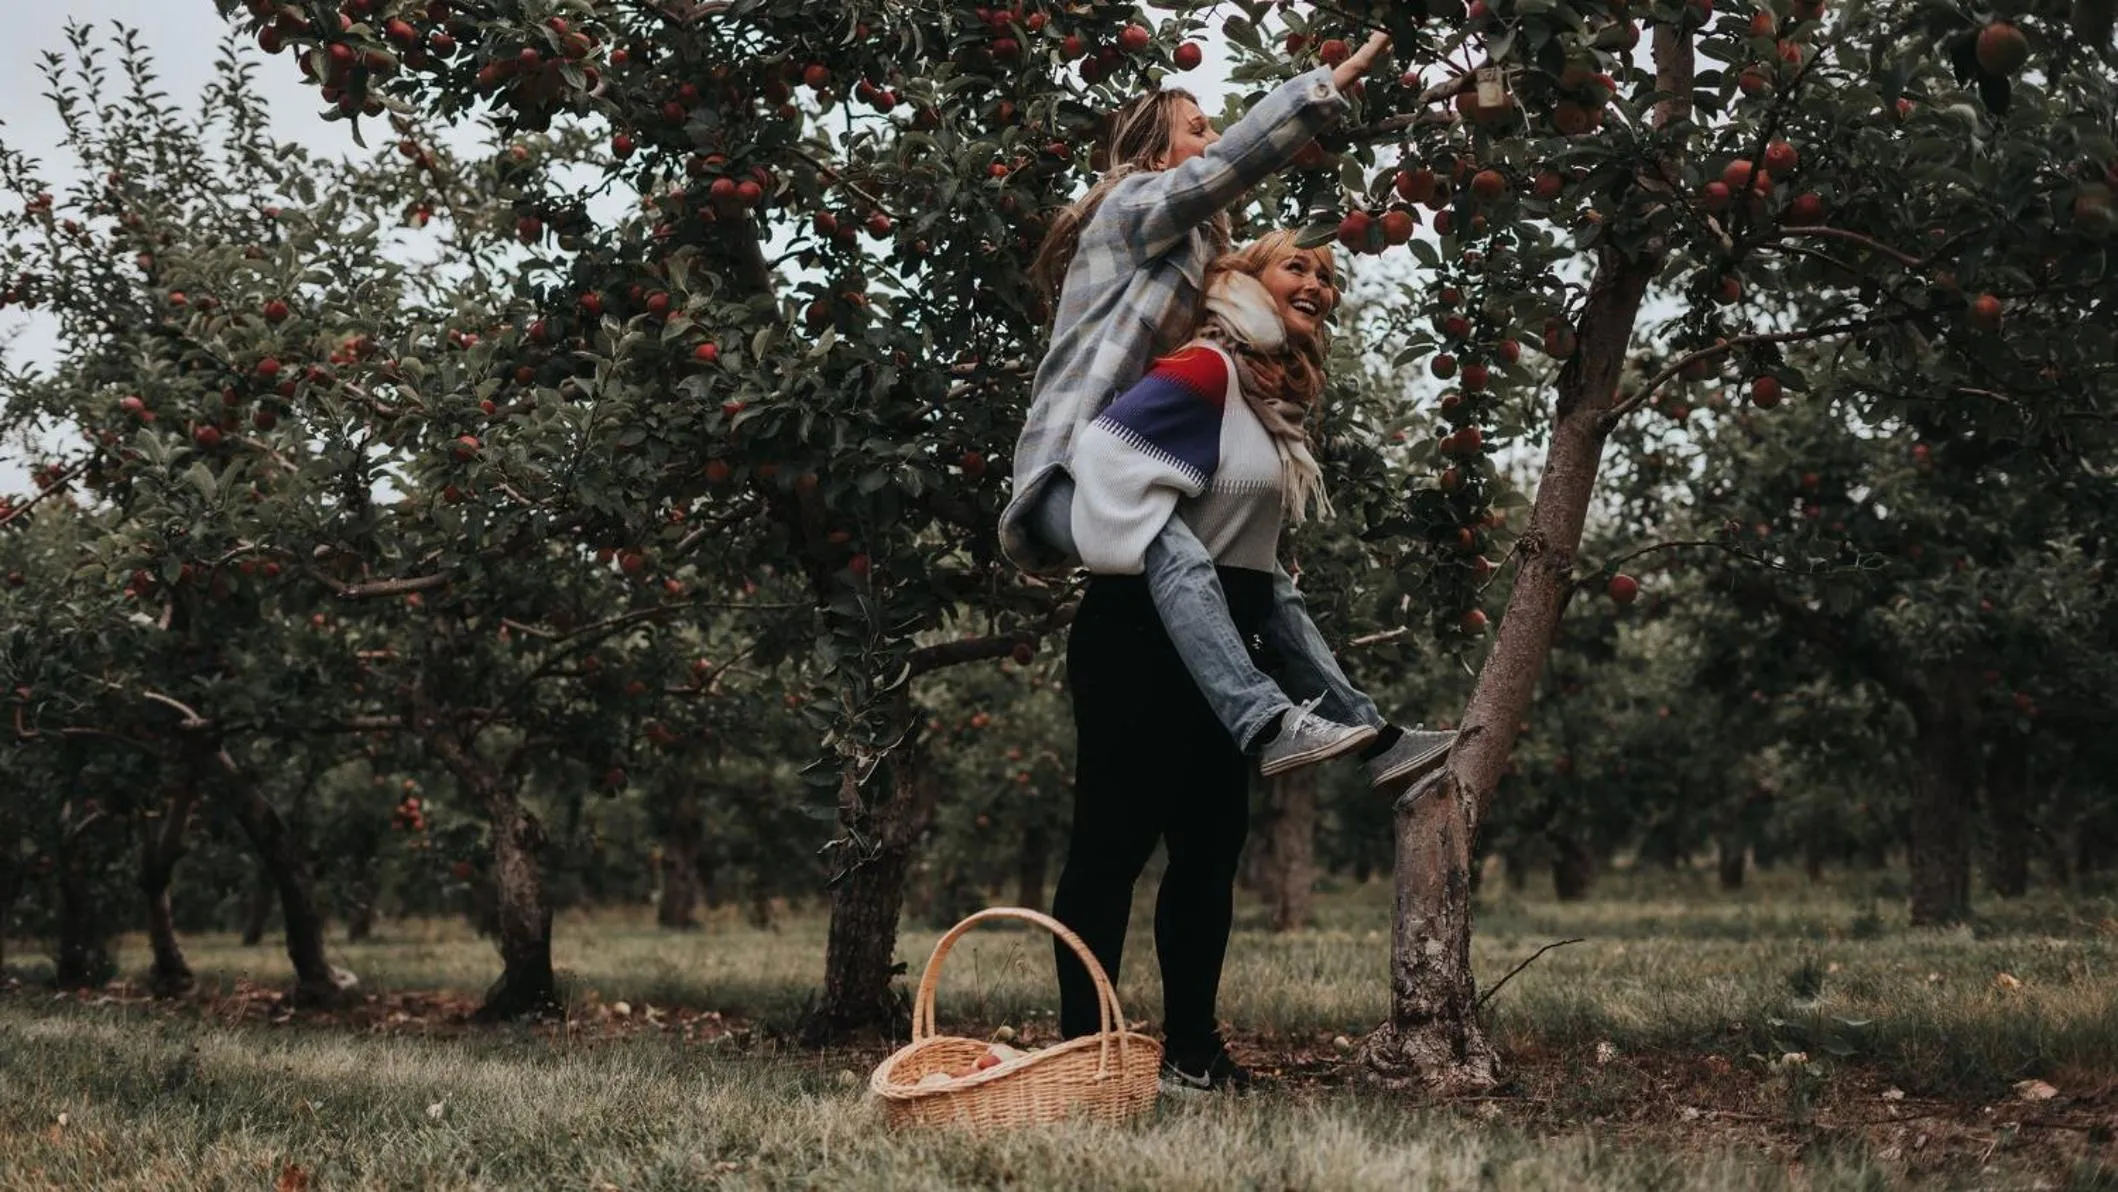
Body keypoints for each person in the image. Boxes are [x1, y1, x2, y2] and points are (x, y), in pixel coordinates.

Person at [1004, 35, 1452, 787]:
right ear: (1156, 152)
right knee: (1173, 552)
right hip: (1066, 472)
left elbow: (1242, 312)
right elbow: (1222, 171)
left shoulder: (1192, 250)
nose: (1211, 139)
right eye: (1198, 128)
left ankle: (1376, 740)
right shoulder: (1129, 209)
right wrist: (1324, 87)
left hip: (1134, 468)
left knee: (1268, 583)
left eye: (1214, 127)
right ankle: (1264, 723)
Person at [1053, 232, 1404, 1095]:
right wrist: (1144, 542)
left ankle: (1192, 1052)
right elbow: (1102, 453)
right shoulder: (1205, 368)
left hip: (1223, 648)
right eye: (1297, 266)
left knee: (1209, 857)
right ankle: (1085, 1053)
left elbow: (1251, 552)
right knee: (1111, 851)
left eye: (1328, 276)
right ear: (1243, 279)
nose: (1317, 284)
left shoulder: (1262, 395)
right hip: (1140, 640)